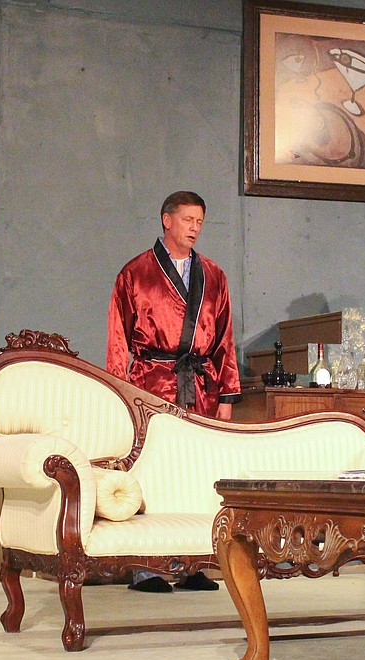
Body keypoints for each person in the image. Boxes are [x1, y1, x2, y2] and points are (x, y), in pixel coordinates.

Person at [106, 190, 241, 593]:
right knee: (152, 467)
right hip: (150, 382)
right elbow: (118, 338)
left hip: (199, 384)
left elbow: (224, 340)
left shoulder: (214, 275)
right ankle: (146, 566)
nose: (195, 228)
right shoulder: (135, 273)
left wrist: (226, 396)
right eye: (187, 220)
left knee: (197, 468)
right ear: (167, 220)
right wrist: (117, 392)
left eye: (200, 221)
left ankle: (193, 561)